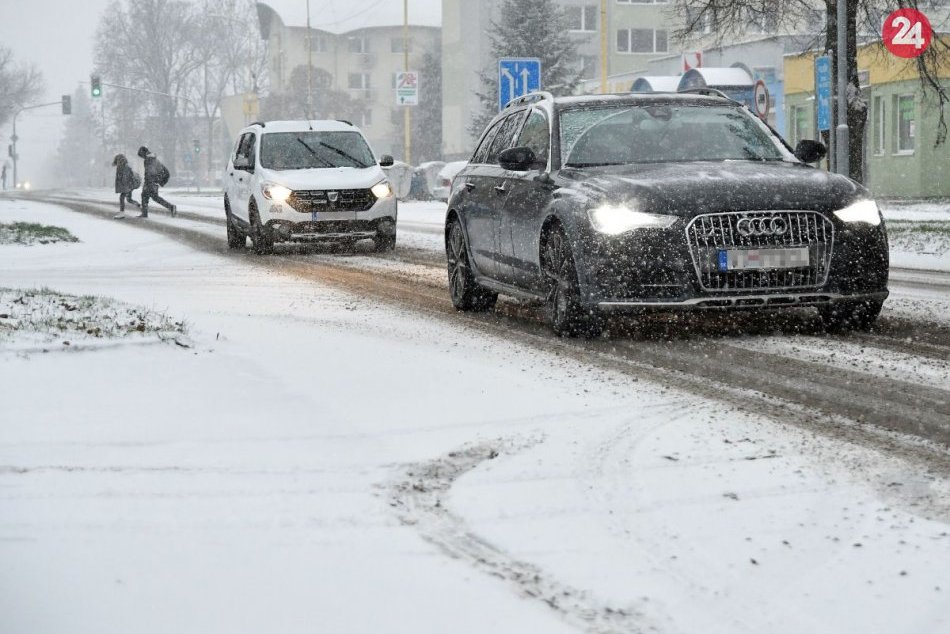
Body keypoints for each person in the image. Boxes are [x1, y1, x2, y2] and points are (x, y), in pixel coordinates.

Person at [136, 145, 176, 218]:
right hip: (153, 182)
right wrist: (160, 181)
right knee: (154, 197)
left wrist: (149, 182)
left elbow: (150, 172)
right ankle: (171, 207)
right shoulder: (154, 159)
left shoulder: (148, 160)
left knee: (146, 196)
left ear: (143, 153)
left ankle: (145, 213)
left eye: (141, 155)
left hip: (150, 182)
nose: (141, 157)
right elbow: (165, 171)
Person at [111, 154, 141, 219]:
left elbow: (125, 178)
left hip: (127, 185)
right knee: (129, 199)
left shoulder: (123, 167)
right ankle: (138, 204)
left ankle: (122, 213)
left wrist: (124, 187)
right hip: (129, 185)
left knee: (122, 198)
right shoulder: (125, 166)